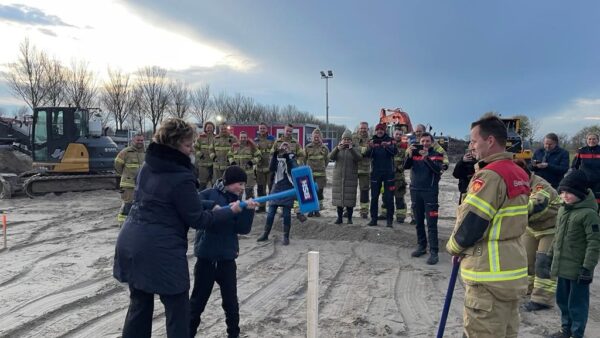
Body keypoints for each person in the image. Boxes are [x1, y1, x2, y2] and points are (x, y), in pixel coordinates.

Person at [113, 118, 243, 338]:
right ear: (173, 144)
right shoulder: (181, 176)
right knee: (178, 310)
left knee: (139, 306)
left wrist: (213, 205)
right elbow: (198, 219)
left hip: (131, 241)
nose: (192, 149)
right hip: (161, 250)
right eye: (187, 145)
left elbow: (170, 203)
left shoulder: (148, 166)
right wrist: (229, 211)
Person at [446, 114, 530, 338]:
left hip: (488, 274)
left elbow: (472, 224)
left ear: (490, 140)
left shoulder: (490, 175)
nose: (471, 146)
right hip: (511, 270)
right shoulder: (519, 172)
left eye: (474, 141)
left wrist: (454, 248)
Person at [189, 166, 258, 338]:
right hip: (207, 259)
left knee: (231, 304)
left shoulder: (239, 200)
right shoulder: (210, 194)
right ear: (228, 182)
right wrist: (214, 207)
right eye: (239, 183)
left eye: (244, 184)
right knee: (197, 303)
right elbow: (193, 203)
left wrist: (248, 212)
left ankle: (233, 334)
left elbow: (242, 229)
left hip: (227, 260)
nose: (242, 188)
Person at [543, 170, 600, 338]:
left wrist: (587, 268)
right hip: (563, 267)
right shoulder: (563, 210)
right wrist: (550, 255)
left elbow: (594, 243)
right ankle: (565, 329)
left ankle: (577, 333)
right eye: (562, 192)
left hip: (578, 270)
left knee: (577, 304)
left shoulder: (589, 214)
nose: (565, 196)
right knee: (563, 301)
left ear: (580, 193)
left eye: (570, 192)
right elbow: (557, 236)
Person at [513, 159, 560, 312]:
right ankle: (527, 288)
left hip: (550, 228)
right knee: (525, 259)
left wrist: (512, 209)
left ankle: (542, 299)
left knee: (543, 262)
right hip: (532, 228)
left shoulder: (540, 185)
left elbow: (537, 205)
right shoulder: (516, 183)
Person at [404, 132, 444, 265]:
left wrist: (426, 158)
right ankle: (422, 247)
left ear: (432, 143)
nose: (425, 143)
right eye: (423, 141)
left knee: (432, 224)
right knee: (419, 222)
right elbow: (405, 166)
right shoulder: (415, 153)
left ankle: (434, 252)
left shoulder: (437, 155)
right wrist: (408, 154)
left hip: (430, 193)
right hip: (415, 191)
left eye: (427, 141)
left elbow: (437, 170)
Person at [257, 141, 300, 245]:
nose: (284, 148)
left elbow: (294, 169)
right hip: (276, 187)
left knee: (286, 214)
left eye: (286, 147)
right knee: (271, 213)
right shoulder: (276, 157)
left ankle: (286, 236)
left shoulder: (292, 157)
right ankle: (265, 234)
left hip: (288, 187)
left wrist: (288, 157)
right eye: (282, 147)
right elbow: (271, 169)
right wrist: (276, 154)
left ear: (289, 149)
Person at [271, 124, 306, 222]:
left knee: (296, 192)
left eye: (291, 131)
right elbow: (272, 154)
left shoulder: (295, 143)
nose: (289, 133)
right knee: (283, 192)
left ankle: (298, 211)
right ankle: (283, 211)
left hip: (292, 172)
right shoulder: (277, 142)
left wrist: (296, 164)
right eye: (287, 131)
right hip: (281, 172)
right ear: (284, 130)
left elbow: (301, 155)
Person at [364, 123, 397, 227]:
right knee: (374, 197)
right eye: (378, 130)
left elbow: (394, 152)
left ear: (384, 130)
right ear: (375, 131)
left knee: (389, 197)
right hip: (375, 173)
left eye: (381, 130)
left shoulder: (391, 140)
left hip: (389, 173)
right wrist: (370, 147)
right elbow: (367, 154)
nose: (379, 131)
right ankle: (373, 219)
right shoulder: (371, 140)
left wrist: (386, 146)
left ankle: (389, 220)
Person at [329, 130, 361, 224]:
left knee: (349, 200)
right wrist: (337, 149)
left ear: (351, 140)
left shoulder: (355, 149)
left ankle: (350, 219)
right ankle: (339, 218)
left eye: (348, 139)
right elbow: (331, 157)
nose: (346, 141)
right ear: (341, 140)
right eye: (345, 139)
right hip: (338, 178)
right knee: (339, 200)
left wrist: (351, 149)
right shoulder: (338, 149)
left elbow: (359, 158)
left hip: (350, 178)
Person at [114, 133, 145, 226]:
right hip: (128, 185)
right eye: (138, 140)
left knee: (141, 205)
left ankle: (136, 225)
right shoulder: (125, 152)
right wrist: (123, 175)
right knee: (127, 206)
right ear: (133, 140)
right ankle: (123, 226)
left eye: (141, 140)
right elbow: (117, 164)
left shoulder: (146, 153)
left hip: (142, 185)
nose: (140, 142)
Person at [228, 131, 261, 199]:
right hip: (238, 174)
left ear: (247, 138)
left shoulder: (251, 146)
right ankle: (238, 209)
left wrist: (252, 162)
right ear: (239, 138)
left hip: (248, 174)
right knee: (237, 194)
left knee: (249, 194)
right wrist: (232, 162)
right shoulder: (235, 146)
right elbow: (229, 155)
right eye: (241, 137)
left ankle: (250, 209)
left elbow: (259, 156)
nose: (243, 139)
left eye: (244, 137)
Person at [304, 129, 329, 217]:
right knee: (310, 192)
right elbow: (304, 159)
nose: (316, 138)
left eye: (318, 137)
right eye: (315, 136)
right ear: (312, 137)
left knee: (319, 192)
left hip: (321, 175)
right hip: (310, 175)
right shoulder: (307, 147)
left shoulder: (324, 148)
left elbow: (327, 160)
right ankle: (311, 210)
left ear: (321, 137)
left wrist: (322, 168)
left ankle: (317, 210)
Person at [571, 132, 600, 211]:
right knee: (584, 201)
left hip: (598, 182)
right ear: (586, 140)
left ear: (598, 140)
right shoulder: (581, 151)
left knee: (597, 202)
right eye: (589, 139)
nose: (592, 141)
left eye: (594, 139)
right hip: (584, 181)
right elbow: (574, 166)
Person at [254, 122, 275, 212]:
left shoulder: (272, 139)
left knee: (271, 188)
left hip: (270, 168)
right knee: (260, 188)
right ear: (259, 129)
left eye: (264, 128)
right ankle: (261, 206)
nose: (262, 130)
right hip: (259, 169)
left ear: (267, 129)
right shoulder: (255, 140)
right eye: (261, 128)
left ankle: (271, 206)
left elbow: (276, 152)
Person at [352, 122, 372, 218]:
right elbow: (352, 148)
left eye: (365, 128)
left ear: (367, 129)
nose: (363, 130)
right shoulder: (353, 137)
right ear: (358, 129)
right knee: (350, 190)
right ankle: (348, 210)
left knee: (364, 191)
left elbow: (370, 151)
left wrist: (358, 149)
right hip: (353, 168)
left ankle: (364, 211)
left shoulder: (371, 140)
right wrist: (364, 150)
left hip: (365, 169)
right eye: (361, 128)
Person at [194, 121, 215, 190]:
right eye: (208, 127)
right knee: (202, 184)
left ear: (213, 129)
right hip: (203, 165)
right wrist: (200, 155)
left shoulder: (216, 138)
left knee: (214, 183)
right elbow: (195, 148)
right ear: (205, 128)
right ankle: (200, 199)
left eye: (211, 128)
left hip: (213, 165)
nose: (209, 129)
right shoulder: (200, 138)